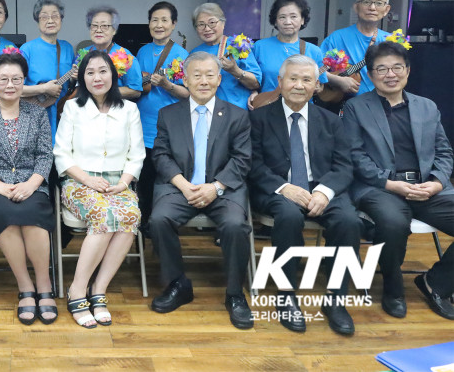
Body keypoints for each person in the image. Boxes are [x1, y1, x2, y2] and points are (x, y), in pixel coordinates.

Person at [249, 55, 361, 335]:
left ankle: (336, 300)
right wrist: (284, 188)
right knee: (287, 216)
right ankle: (286, 296)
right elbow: (252, 163)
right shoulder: (258, 118)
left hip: (322, 187)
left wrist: (323, 191)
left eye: (306, 80)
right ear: (280, 82)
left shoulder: (332, 121)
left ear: (317, 86)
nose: (299, 85)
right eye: (293, 79)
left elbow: (344, 165)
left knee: (349, 220)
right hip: (277, 188)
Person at [342, 41, 454, 321]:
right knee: (393, 224)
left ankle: (436, 282)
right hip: (381, 187)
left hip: (427, 187)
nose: (390, 74)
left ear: (408, 71)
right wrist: (390, 184)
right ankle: (392, 287)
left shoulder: (427, 107)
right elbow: (354, 155)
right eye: (381, 69)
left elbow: (444, 152)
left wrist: (438, 182)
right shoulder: (356, 107)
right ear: (370, 74)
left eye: (396, 67)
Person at [148, 51, 253, 329]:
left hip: (223, 188)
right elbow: (160, 155)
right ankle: (177, 284)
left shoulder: (237, 116)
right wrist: (183, 184)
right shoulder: (168, 114)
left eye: (210, 75)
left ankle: (234, 294)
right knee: (158, 220)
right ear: (185, 78)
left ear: (219, 79)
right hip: (179, 186)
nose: (203, 81)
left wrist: (215, 187)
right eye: (197, 75)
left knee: (234, 225)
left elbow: (242, 160)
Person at [53, 50, 145, 329]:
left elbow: (136, 155)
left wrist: (124, 183)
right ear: (82, 77)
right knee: (104, 216)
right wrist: (88, 181)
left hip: (118, 182)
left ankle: (99, 289)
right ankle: (77, 290)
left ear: (114, 74)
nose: (97, 77)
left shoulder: (129, 109)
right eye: (90, 72)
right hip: (79, 182)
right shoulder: (72, 107)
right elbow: (62, 154)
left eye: (103, 71)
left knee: (130, 217)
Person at [0, 53, 57, 326]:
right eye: (3, 79)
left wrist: (32, 184)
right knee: (6, 216)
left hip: (32, 184)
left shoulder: (38, 113)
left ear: (24, 81)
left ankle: (45, 285)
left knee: (33, 216)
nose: (9, 84)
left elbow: (45, 155)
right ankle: (25, 287)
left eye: (16, 79)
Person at [135, 1, 189, 230]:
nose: (159, 25)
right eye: (154, 20)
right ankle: (142, 226)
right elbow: (137, 84)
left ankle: (163, 226)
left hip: (169, 127)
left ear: (174, 24)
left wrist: (167, 85)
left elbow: (188, 94)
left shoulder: (182, 54)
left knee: (165, 179)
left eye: (164, 20)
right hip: (141, 125)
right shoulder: (142, 51)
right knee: (143, 181)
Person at [252, 0, 328, 105]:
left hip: (301, 109)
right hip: (267, 108)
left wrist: (315, 88)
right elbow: (252, 80)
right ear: (275, 21)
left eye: (293, 17)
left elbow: (320, 87)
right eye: (282, 17)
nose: (288, 22)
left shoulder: (314, 51)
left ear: (302, 20)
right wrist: (253, 92)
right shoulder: (259, 47)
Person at [20, 0, 76, 139]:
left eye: (55, 16)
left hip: (62, 114)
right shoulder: (27, 49)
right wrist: (44, 89)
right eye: (44, 17)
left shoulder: (67, 47)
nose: (50, 20)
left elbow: (70, 86)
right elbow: (15, 89)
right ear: (37, 21)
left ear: (61, 19)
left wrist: (73, 79)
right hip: (35, 116)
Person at [321, 0, 391, 98]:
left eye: (379, 3)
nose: (372, 8)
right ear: (356, 7)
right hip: (347, 106)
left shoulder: (391, 41)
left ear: (386, 10)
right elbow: (316, 70)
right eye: (366, 2)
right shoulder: (337, 38)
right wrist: (336, 80)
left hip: (383, 104)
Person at [189, 3, 261, 110]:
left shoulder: (238, 45)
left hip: (236, 112)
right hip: (206, 113)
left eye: (212, 23)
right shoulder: (194, 53)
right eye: (201, 24)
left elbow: (256, 84)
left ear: (223, 23)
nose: (207, 28)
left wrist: (235, 71)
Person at [79, 6, 142, 100]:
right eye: (94, 25)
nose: (98, 30)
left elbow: (136, 91)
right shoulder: (83, 54)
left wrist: (104, 92)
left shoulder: (126, 56)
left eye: (104, 26)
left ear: (114, 30)